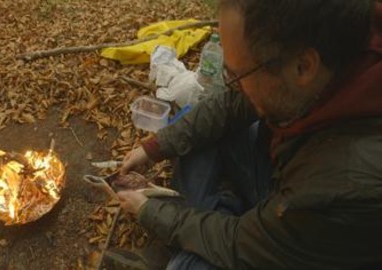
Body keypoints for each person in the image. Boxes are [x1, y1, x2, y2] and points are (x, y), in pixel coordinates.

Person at [116, 0, 382, 269]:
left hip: (298, 229)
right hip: (282, 190)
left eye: (237, 74)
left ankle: (203, 231)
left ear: (303, 67)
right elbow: (231, 105)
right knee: (198, 126)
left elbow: (239, 245)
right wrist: (154, 147)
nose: (233, 84)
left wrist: (149, 211)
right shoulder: (340, 46)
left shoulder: (346, 188)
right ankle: (220, 217)